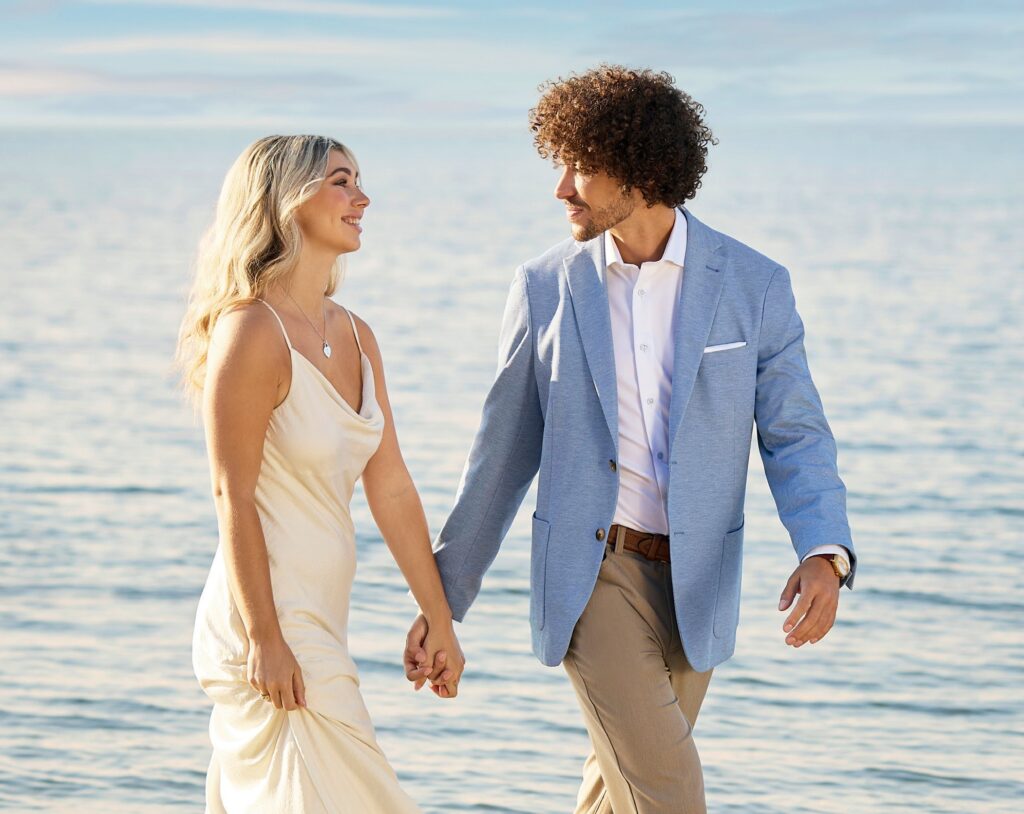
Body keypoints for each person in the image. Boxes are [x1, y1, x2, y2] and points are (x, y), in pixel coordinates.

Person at [404, 66, 857, 813]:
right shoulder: (545, 286)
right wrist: (444, 598)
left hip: (697, 583)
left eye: (580, 166)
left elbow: (796, 433)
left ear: (642, 169)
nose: (561, 189)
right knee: (671, 795)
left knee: (619, 798)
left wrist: (824, 551)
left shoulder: (754, 284)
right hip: (594, 575)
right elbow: (502, 453)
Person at [179, 134, 463, 813]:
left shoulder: (359, 336)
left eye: (358, 180)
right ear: (286, 201)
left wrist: (440, 615)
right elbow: (232, 495)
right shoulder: (250, 331)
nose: (362, 197)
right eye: (341, 181)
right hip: (269, 621)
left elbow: (391, 487)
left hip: (322, 617)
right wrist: (265, 639)